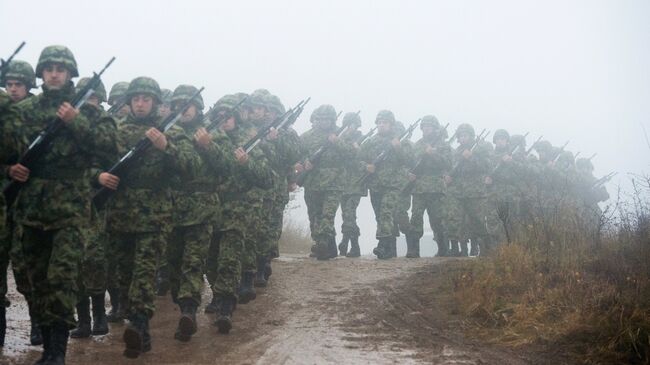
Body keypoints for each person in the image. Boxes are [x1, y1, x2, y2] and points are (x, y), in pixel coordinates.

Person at [101, 76, 198, 358]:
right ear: (129, 102)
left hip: (154, 217)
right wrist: (100, 176)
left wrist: (166, 146)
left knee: (144, 273)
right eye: (136, 99)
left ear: (155, 103)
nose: (140, 104)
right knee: (123, 275)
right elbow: (95, 163)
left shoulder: (171, 132)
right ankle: (140, 331)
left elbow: (191, 168)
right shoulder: (115, 131)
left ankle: (139, 324)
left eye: (146, 99)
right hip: (119, 216)